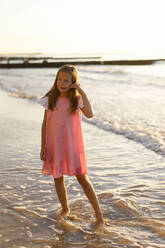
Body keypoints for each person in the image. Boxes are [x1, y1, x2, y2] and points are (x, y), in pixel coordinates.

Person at [38, 64, 104, 226]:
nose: (62, 83)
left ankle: (99, 216)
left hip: (71, 146)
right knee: (57, 177)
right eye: (60, 79)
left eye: (66, 80)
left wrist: (82, 92)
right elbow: (45, 124)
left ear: (73, 82)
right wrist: (43, 146)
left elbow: (90, 114)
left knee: (82, 177)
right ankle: (65, 209)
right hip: (54, 145)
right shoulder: (51, 99)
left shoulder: (76, 99)